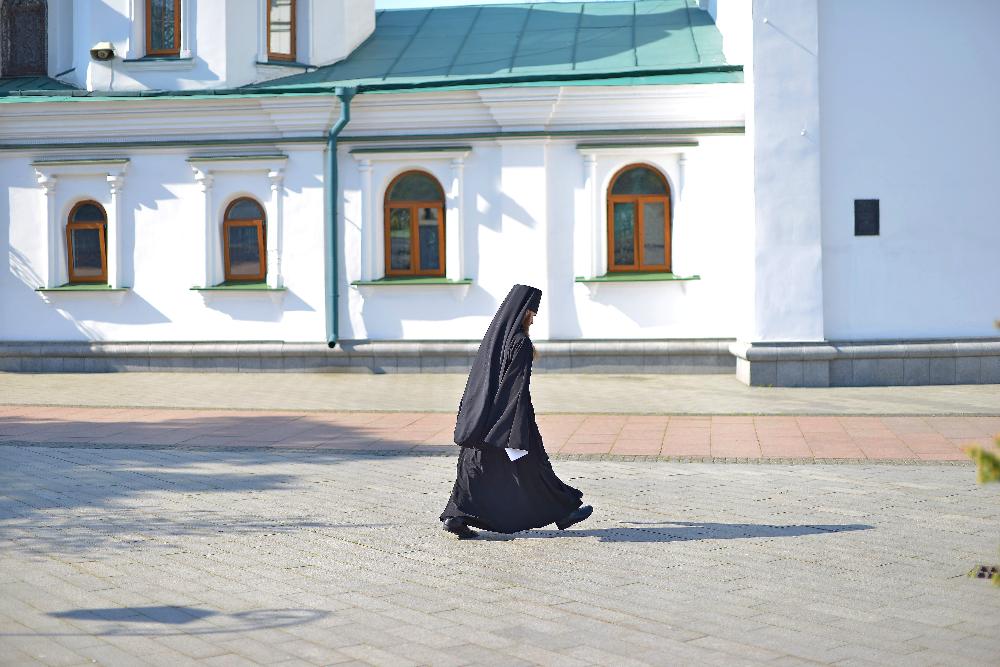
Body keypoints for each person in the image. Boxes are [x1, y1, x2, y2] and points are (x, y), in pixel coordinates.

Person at [440, 284, 593, 539]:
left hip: (481, 416)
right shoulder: (520, 343)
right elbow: (515, 387)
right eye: (531, 313)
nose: (533, 318)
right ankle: (564, 512)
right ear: (522, 312)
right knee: (533, 466)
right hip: (509, 417)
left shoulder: (496, 338)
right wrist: (514, 429)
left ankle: (457, 515)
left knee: (474, 467)